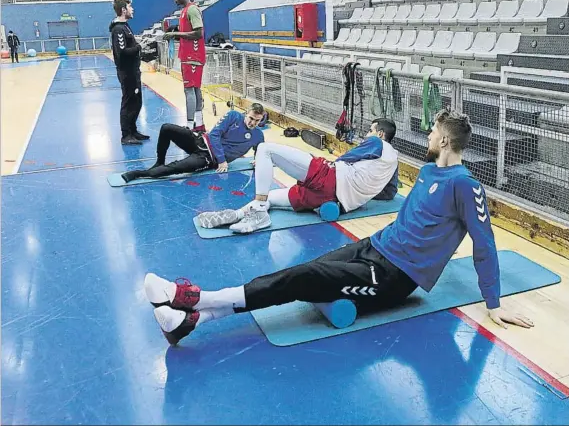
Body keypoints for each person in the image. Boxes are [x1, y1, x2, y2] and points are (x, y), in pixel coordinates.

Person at [144, 109, 534, 346]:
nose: (429, 136)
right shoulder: (431, 170)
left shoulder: (466, 185)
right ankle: (190, 322)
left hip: (395, 277)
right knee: (307, 270)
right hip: (375, 247)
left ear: (445, 139)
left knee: (306, 276)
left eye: (433, 133)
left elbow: (484, 244)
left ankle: (194, 299)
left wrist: (494, 304)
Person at [196, 118, 399, 234]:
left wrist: (320, 168)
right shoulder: (394, 163)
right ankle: (240, 214)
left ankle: (256, 212)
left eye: (370, 131)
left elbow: (343, 159)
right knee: (272, 198)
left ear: (380, 134)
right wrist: (359, 197)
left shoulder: (378, 143)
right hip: (332, 199)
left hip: (329, 178)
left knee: (266, 150)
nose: (367, 135)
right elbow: (389, 194)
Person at [121, 104, 266, 183]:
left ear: (261, 120)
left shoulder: (258, 135)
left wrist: (258, 159)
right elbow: (215, 134)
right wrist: (223, 160)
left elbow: (261, 151)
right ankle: (159, 161)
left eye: (257, 120)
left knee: (175, 168)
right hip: (200, 140)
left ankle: (138, 174)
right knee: (166, 128)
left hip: (208, 159)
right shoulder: (233, 115)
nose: (253, 123)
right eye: (251, 118)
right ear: (246, 113)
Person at [163, 0, 206, 132]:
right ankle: (199, 124)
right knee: (195, 90)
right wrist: (175, 31)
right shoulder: (184, 11)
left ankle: (189, 126)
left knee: (189, 90)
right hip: (189, 56)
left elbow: (198, 33)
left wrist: (175, 34)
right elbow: (187, 32)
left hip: (192, 56)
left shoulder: (192, 10)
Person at [109, 0, 149, 145]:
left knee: (136, 101)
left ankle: (133, 130)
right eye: (130, 7)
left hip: (134, 70)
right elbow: (123, 52)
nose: (133, 10)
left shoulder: (125, 26)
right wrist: (139, 47)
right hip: (127, 72)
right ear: (123, 10)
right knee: (128, 102)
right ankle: (126, 135)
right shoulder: (119, 29)